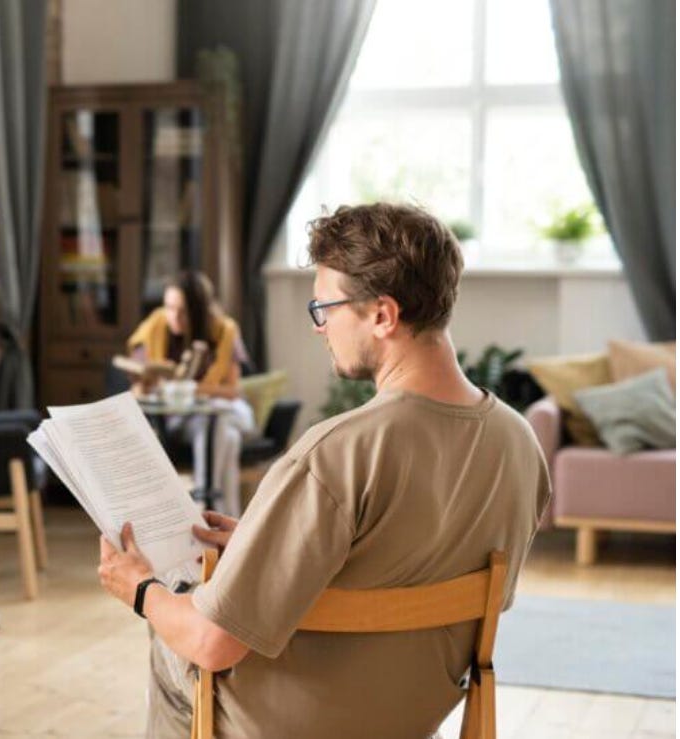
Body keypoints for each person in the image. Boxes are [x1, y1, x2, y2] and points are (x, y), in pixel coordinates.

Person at [98, 203, 552, 738]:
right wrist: (272, 545)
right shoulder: (518, 441)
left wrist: (139, 588)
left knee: (172, 642)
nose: (319, 328)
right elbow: (407, 567)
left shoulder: (336, 453)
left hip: (296, 721)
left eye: (325, 308)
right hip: (414, 716)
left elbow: (212, 644)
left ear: (383, 316)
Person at [126, 271, 254, 514]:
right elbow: (138, 382)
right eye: (169, 307)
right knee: (227, 435)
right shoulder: (155, 327)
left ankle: (204, 501)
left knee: (217, 418)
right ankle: (222, 512)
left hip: (220, 413)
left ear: (198, 311)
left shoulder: (223, 331)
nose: (174, 316)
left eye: (182, 310)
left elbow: (233, 391)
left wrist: (192, 388)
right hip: (182, 419)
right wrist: (144, 384)